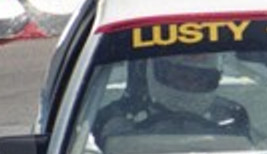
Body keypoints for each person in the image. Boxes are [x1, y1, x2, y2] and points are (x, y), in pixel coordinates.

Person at [93, 51, 252, 146]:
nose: (189, 85)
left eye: (200, 79)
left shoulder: (232, 119)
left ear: (215, 79)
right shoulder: (111, 118)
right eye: (180, 76)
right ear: (152, 72)